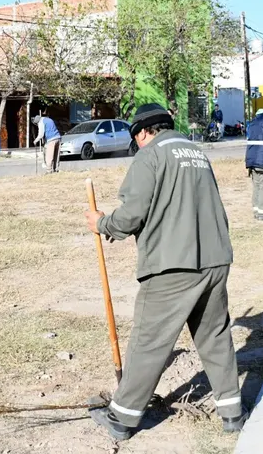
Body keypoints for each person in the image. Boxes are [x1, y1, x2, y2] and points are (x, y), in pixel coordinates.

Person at [83, 103, 249, 441]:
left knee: (149, 341)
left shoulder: (151, 155)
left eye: (136, 137)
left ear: (143, 132)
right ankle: (232, 413)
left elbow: (131, 215)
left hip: (173, 266)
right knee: (215, 337)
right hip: (215, 258)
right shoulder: (196, 152)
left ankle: (122, 417)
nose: (137, 143)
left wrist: (102, 223)